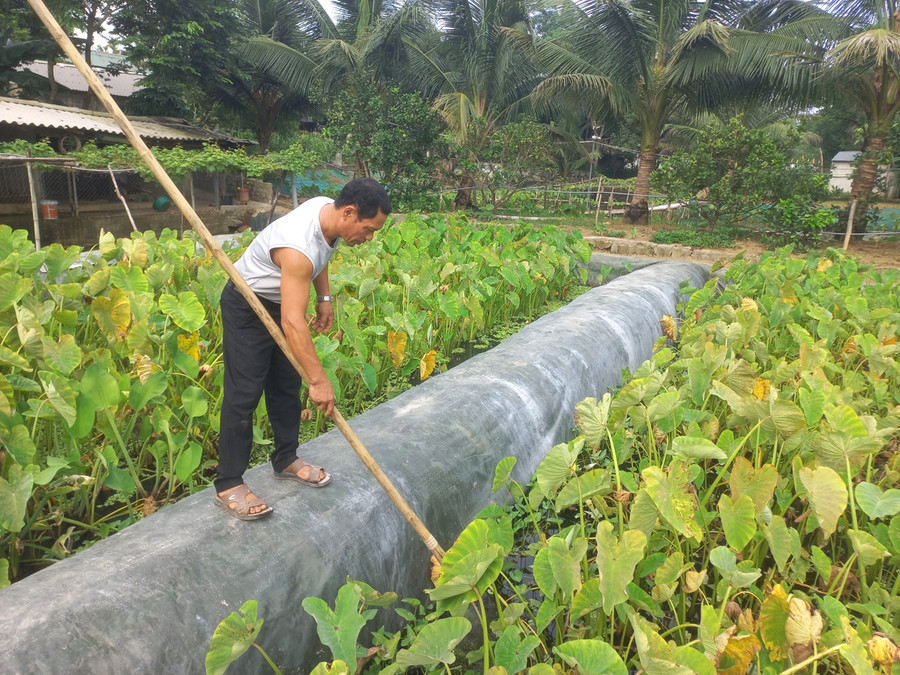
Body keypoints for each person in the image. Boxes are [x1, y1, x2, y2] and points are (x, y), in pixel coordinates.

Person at [214, 178, 391, 520]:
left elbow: (322, 252)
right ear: (350, 212)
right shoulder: (296, 247)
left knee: (285, 386)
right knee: (244, 392)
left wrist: (324, 299)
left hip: (282, 299)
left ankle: (285, 459)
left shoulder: (328, 211)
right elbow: (294, 322)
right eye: (368, 229)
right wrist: (319, 379)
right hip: (248, 304)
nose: (369, 238)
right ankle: (228, 483)